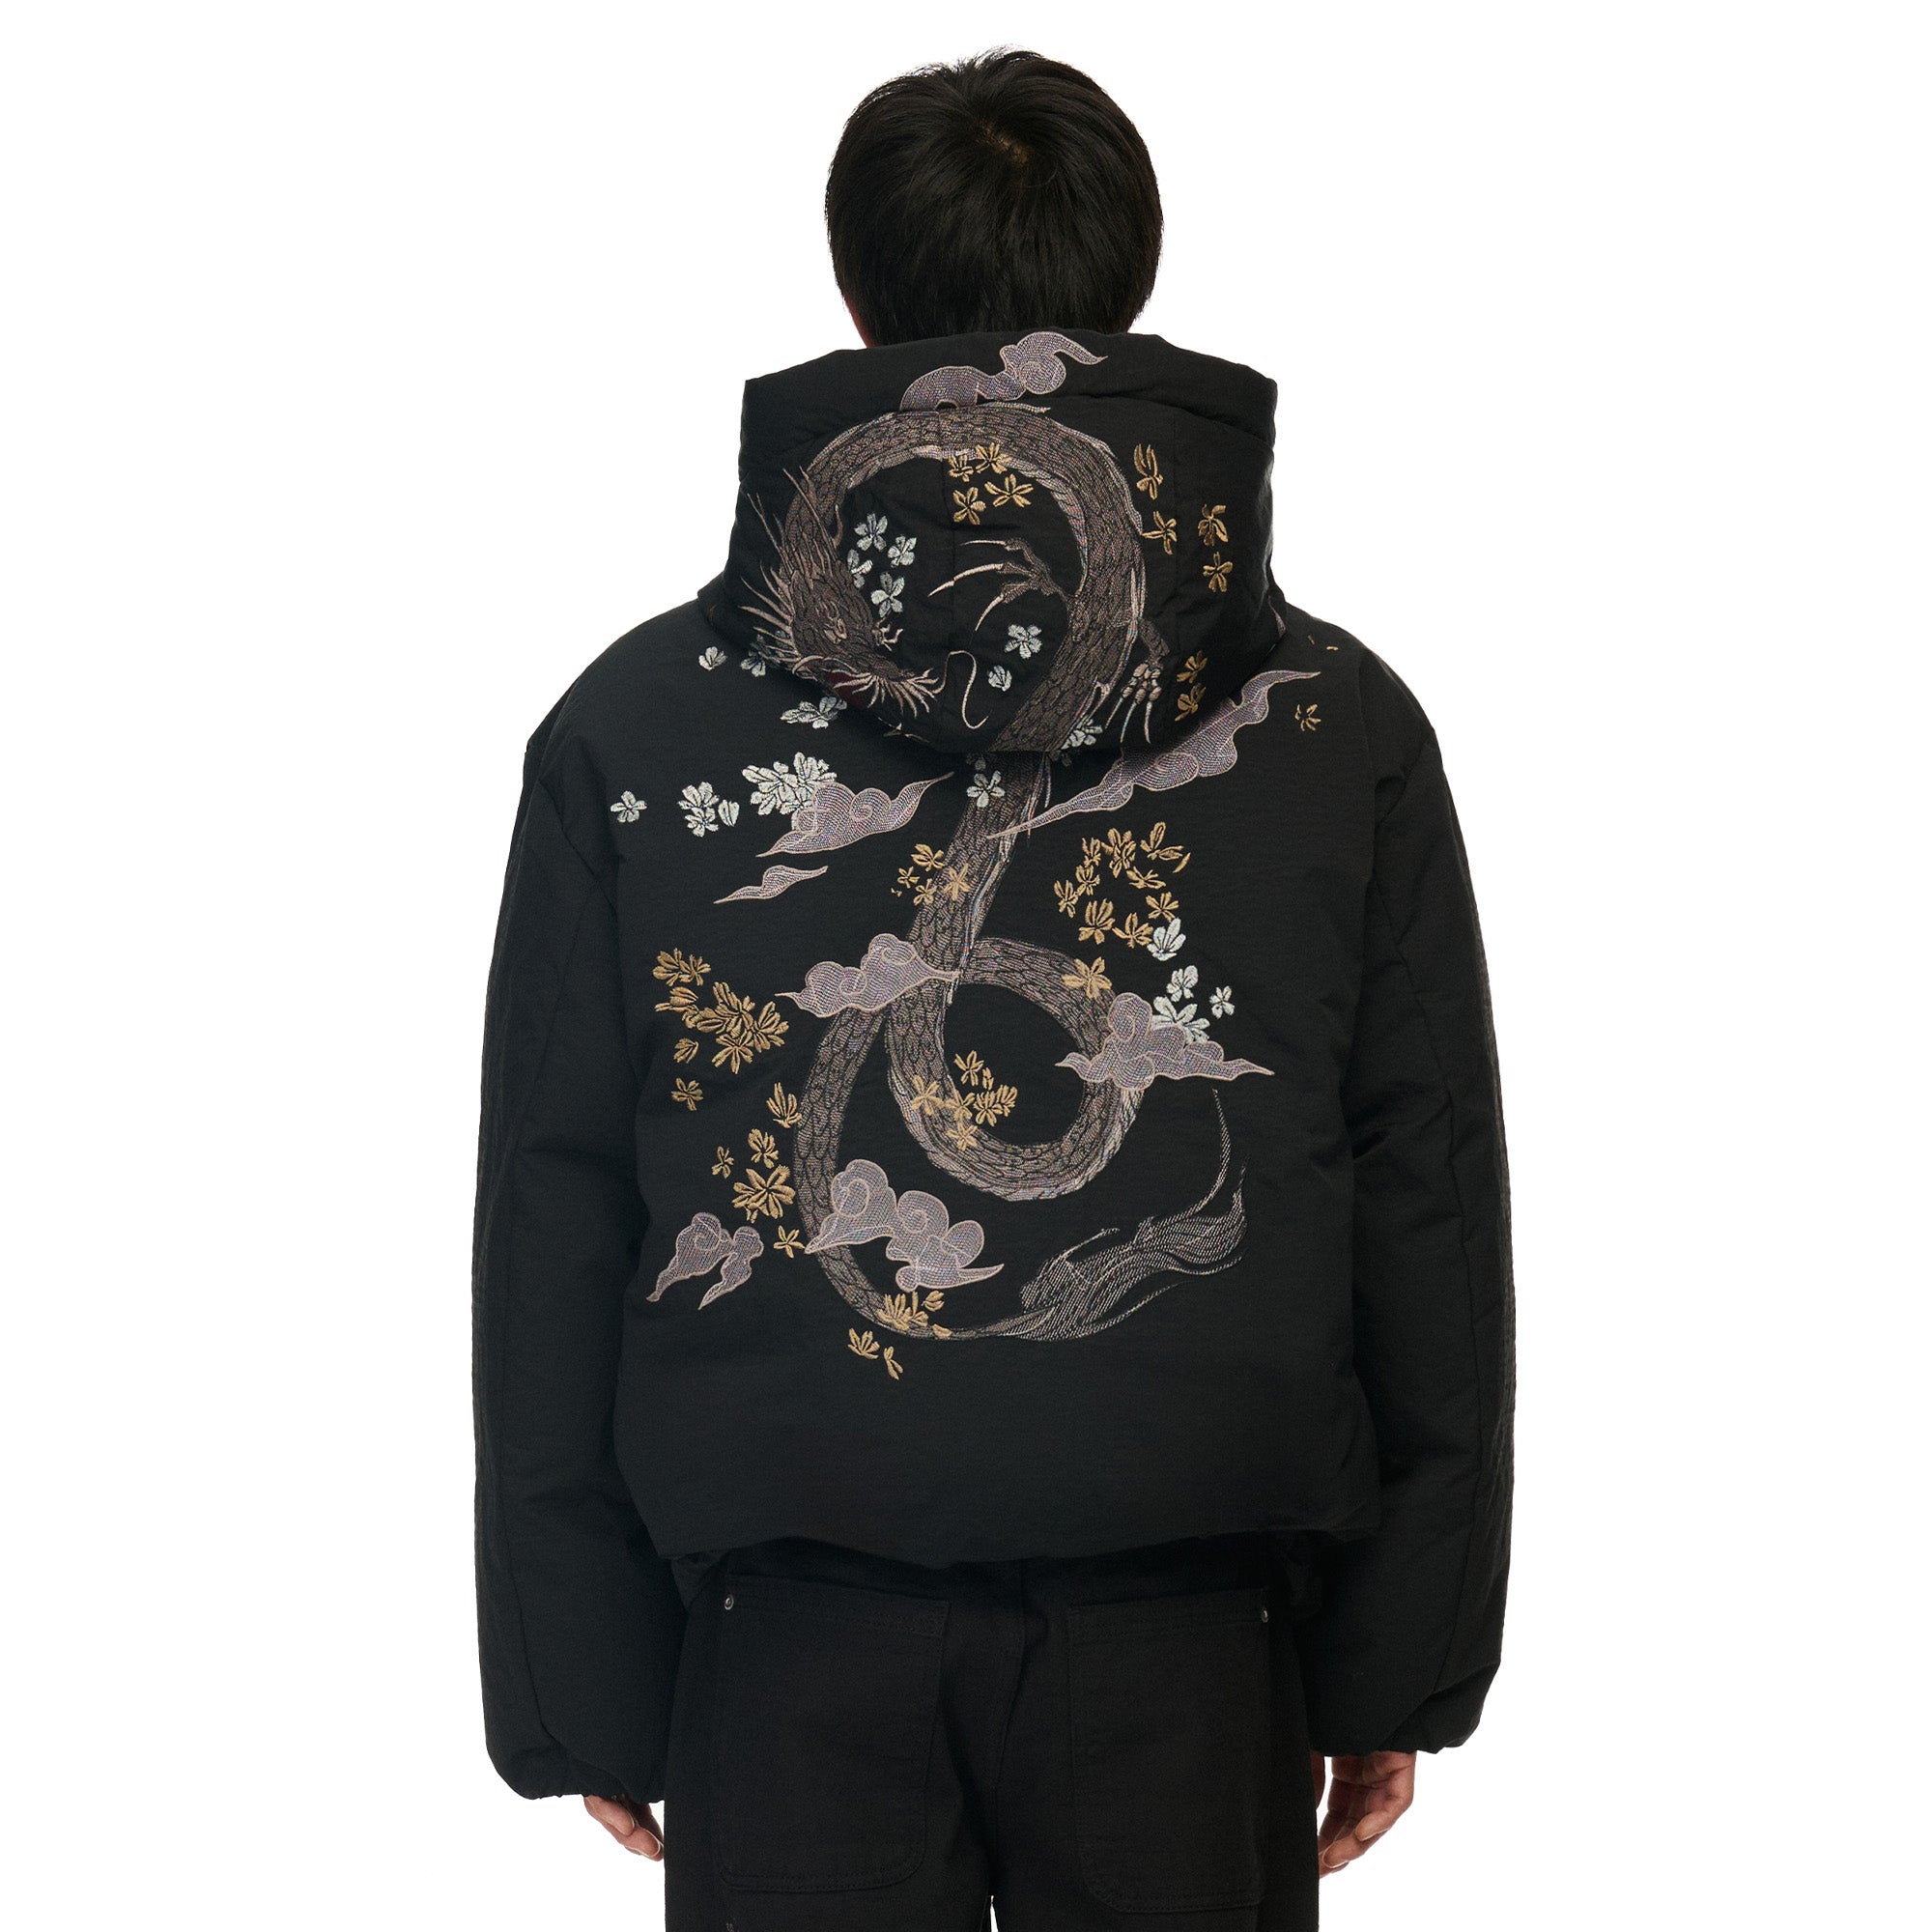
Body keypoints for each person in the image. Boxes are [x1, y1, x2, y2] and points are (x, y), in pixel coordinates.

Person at [472, 48, 1513, 1932]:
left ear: (856, 287)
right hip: (1199, 1640)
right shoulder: (1335, 726)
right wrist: (1397, 1659)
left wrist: (582, 1679)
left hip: (784, 1641)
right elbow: (1421, 1192)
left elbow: (559, 1209)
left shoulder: (634, 727)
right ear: (1128, 276)